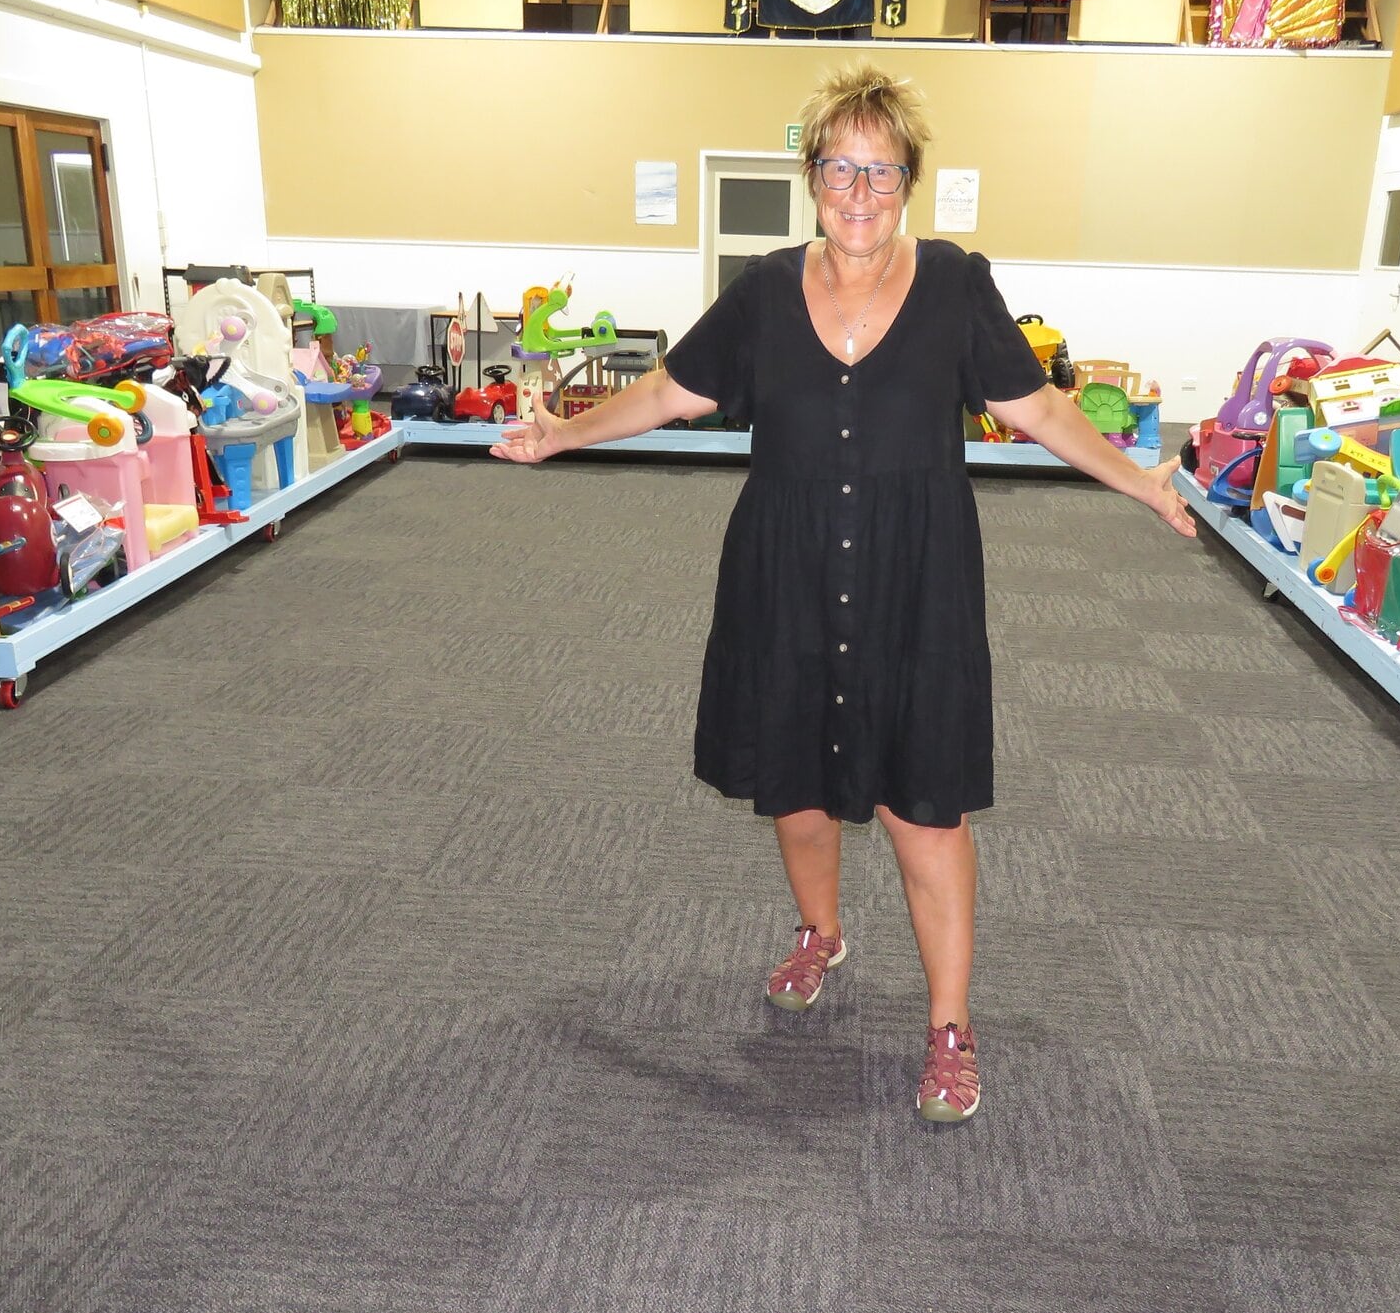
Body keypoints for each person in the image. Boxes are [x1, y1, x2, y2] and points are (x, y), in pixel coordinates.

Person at [496, 64, 1194, 1123]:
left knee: (924, 811)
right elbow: (666, 391)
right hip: (785, 571)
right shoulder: (765, 289)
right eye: (838, 168)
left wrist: (1141, 480)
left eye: (879, 170)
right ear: (810, 176)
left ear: (908, 180)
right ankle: (818, 932)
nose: (858, 191)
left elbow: (1039, 411)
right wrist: (561, 432)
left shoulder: (955, 284)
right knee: (797, 791)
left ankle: (949, 1029)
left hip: (917, 583)